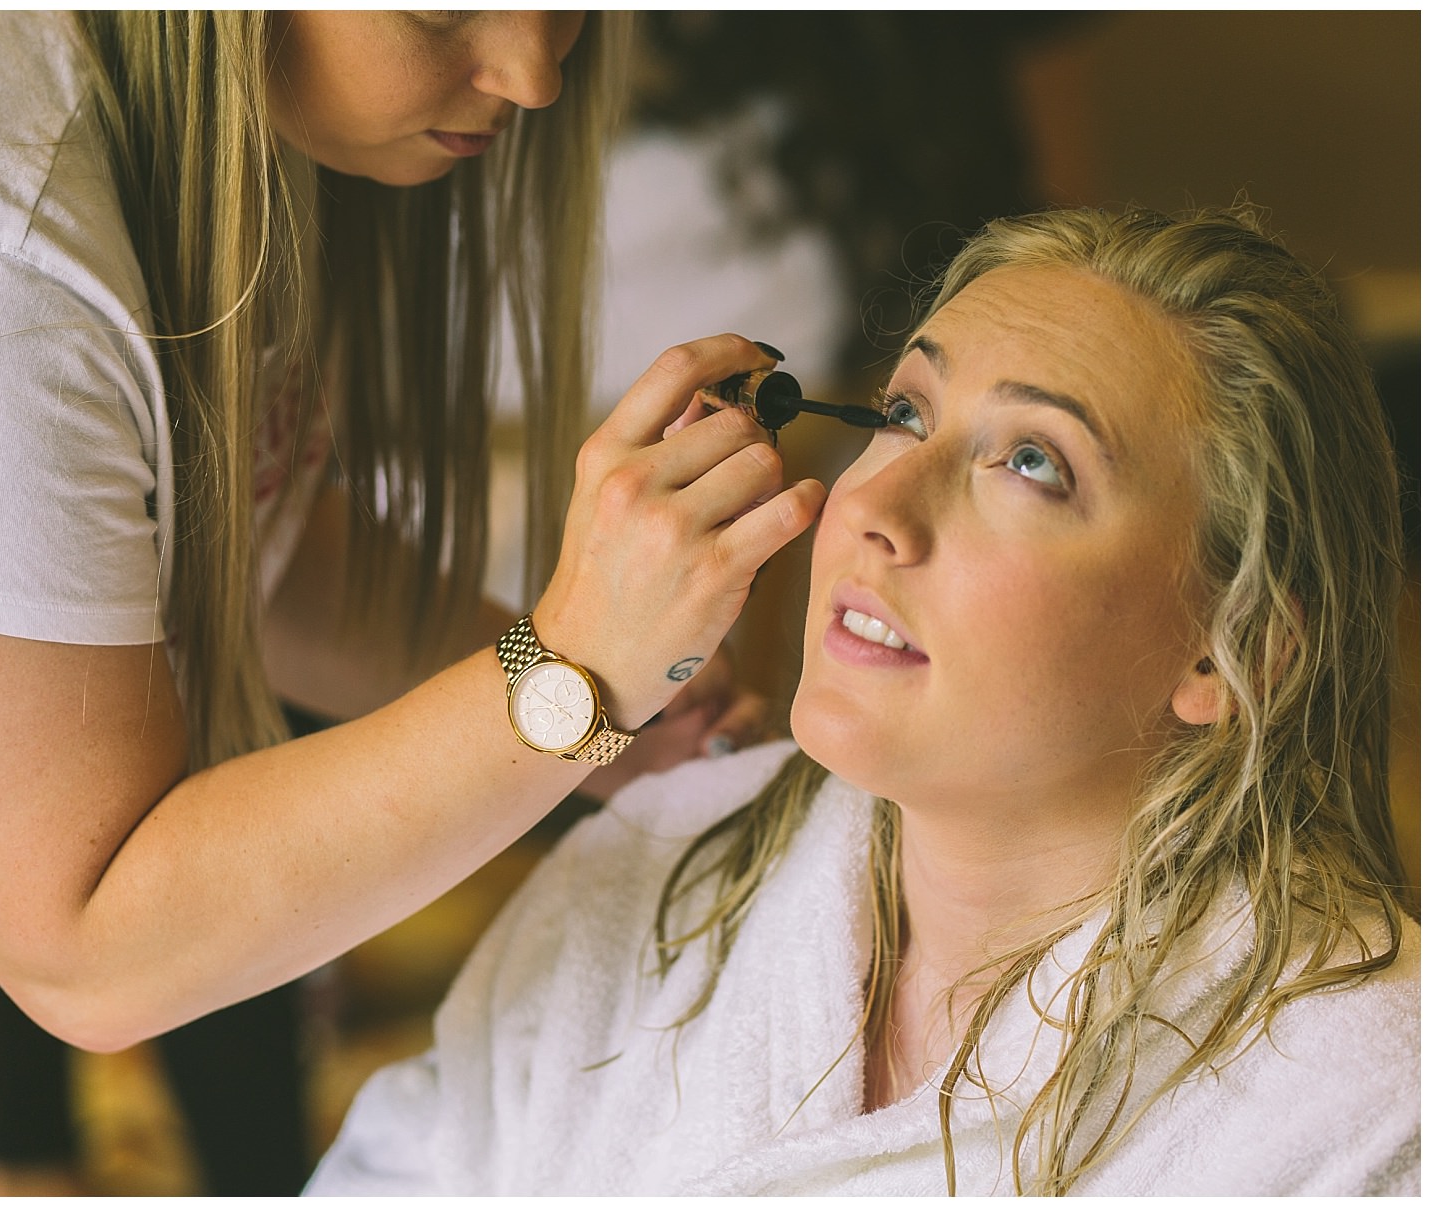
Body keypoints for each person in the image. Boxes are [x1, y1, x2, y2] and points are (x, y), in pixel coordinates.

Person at [0, 11, 818, 1194]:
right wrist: (575, 677)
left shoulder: (239, 125)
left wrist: (609, 721)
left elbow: (252, 546)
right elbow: (86, 947)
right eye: (440, 6)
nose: (533, 75)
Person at [307, 204, 1421, 1196]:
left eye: (1032, 462)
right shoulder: (648, 869)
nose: (877, 501)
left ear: (1234, 653)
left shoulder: (1359, 1112)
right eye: (903, 412)